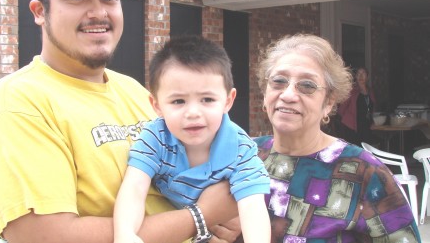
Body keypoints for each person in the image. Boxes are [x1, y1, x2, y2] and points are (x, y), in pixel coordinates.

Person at [0, 0, 241, 243]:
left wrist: (224, 216)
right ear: (39, 11)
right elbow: (46, 236)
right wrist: (200, 217)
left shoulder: (132, 90)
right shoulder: (17, 103)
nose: (98, 12)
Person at [253, 34, 421, 242]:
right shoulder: (243, 157)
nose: (288, 95)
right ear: (265, 93)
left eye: (307, 85)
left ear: (329, 103)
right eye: (278, 81)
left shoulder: (365, 173)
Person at [114, 35, 271, 243]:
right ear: (157, 105)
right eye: (178, 101)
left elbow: (253, 206)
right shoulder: (155, 137)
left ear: (228, 100)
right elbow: (134, 187)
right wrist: (125, 234)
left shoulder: (240, 149)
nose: (193, 112)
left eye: (207, 99)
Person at [337, 67, 377, 146]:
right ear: (356, 77)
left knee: (365, 149)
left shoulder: (370, 91)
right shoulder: (352, 91)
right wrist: (348, 119)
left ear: (367, 77)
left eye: (363, 74)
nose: (361, 76)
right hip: (352, 126)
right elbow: (341, 109)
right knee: (355, 151)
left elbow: (373, 107)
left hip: (366, 125)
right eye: (358, 74)